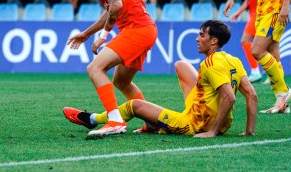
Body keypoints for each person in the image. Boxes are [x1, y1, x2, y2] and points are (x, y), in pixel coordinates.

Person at [64, 20, 259, 137]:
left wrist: (212, 132)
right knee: (181, 65)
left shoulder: (211, 64)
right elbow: (251, 95)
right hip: (209, 114)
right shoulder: (233, 60)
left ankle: (93, 119)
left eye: (201, 35)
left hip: (196, 124)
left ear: (214, 41)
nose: (197, 39)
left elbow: (229, 98)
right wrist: (249, 131)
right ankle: (152, 123)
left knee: (134, 106)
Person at [67, 0, 157, 137]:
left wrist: (103, 35)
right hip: (145, 29)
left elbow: (116, 6)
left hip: (137, 30)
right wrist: (87, 34)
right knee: (122, 81)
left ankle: (115, 120)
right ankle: (151, 122)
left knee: (95, 68)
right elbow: (111, 9)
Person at [229, 0, 263, 83]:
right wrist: (238, 12)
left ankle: (255, 72)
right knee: (266, 46)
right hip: (253, 13)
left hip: (259, 13)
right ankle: (273, 75)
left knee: (245, 40)